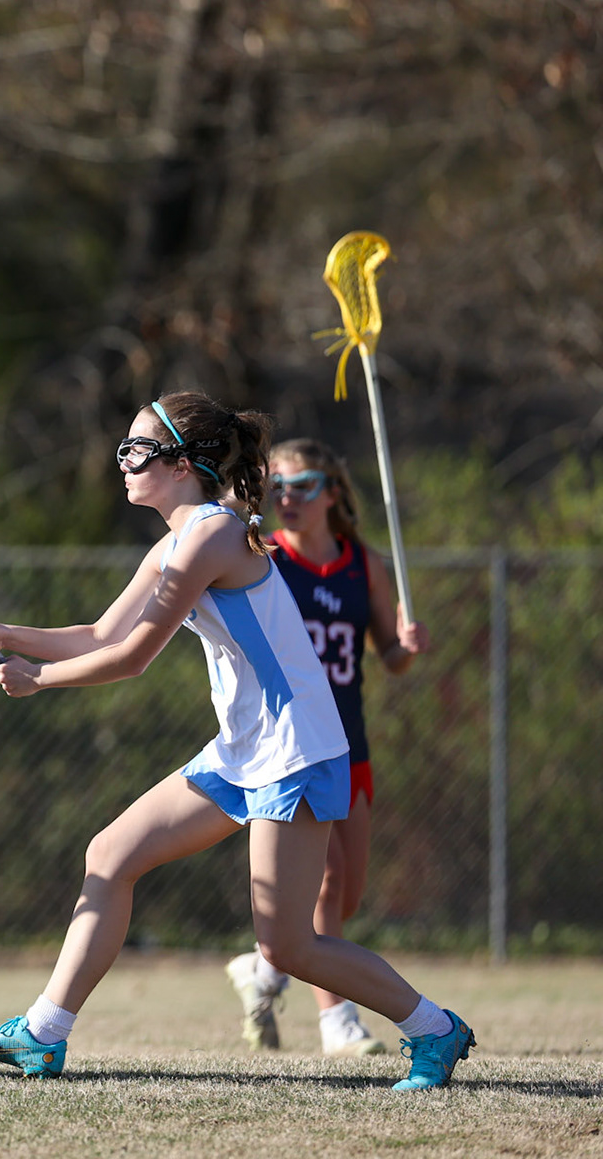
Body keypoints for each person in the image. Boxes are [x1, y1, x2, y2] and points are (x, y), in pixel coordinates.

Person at [0, 392, 474, 1092]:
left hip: (295, 748)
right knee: (110, 853)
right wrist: (3, 632)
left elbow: (133, 656)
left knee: (287, 944)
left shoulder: (212, 536)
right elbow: (101, 633)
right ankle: (43, 1034)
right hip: (245, 748)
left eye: (136, 449)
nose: (123, 462)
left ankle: (436, 1030)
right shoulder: (180, 539)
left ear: (183, 463)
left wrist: (39, 680)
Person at [225, 439, 431, 1056]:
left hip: (349, 742)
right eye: (278, 487)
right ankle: (337, 1021)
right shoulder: (263, 559)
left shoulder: (362, 564)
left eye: (305, 486)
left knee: (347, 892)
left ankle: (263, 971)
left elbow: (388, 659)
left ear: (334, 492)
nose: (289, 498)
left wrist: (405, 647)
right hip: (290, 742)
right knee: (326, 882)